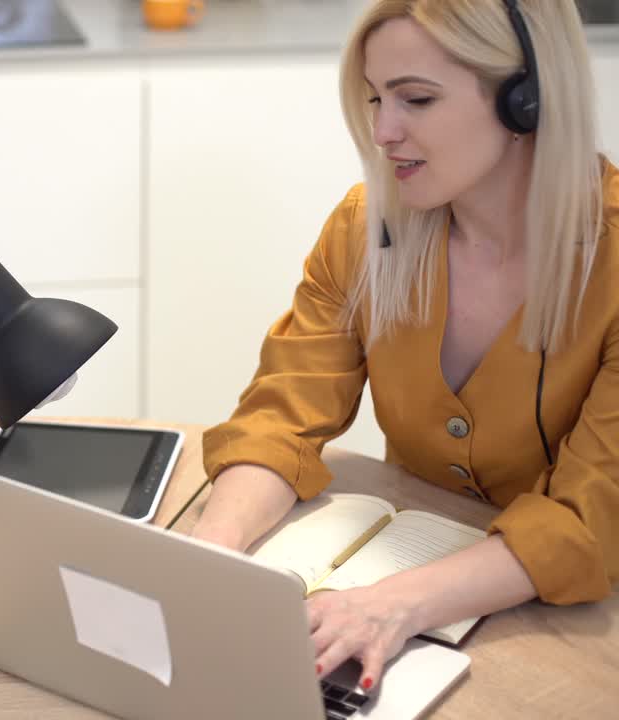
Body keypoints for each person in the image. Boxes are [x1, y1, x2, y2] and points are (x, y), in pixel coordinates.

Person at [191, 0, 618, 694]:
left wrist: (385, 607)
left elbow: (589, 521)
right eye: (375, 98)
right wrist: (209, 557)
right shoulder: (366, 230)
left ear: (527, 100)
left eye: (416, 99)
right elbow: (279, 422)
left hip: (583, 629)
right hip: (426, 593)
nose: (383, 132)